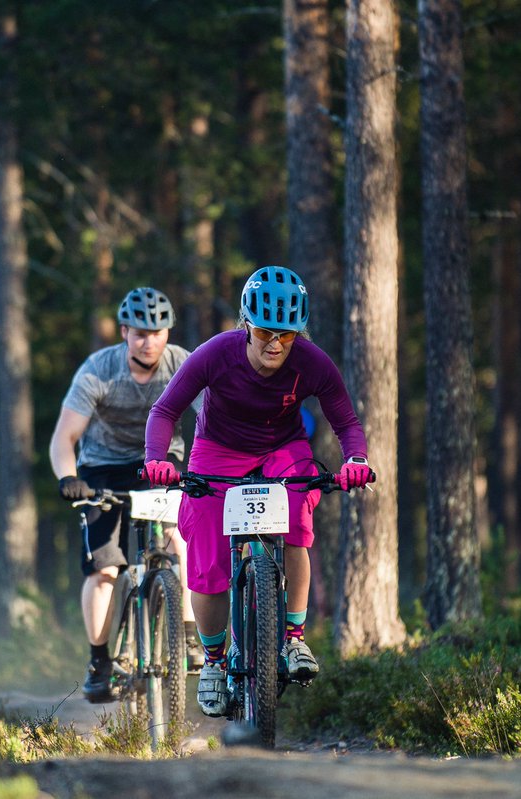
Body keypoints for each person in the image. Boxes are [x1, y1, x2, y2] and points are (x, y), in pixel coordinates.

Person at [142, 265, 374, 717]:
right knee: (207, 552)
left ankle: (293, 640)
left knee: (296, 526)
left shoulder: (312, 362)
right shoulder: (215, 354)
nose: (275, 344)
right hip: (218, 449)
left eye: (286, 336)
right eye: (266, 332)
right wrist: (158, 459)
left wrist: (356, 462)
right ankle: (212, 662)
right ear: (247, 325)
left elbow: (346, 422)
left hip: (281, 449)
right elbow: (165, 409)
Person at [49, 286, 199, 703]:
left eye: (157, 332)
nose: (148, 342)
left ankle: (187, 636)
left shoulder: (183, 364)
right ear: (124, 333)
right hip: (101, 469)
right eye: (139, 333)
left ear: (167, 333)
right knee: (104, 570)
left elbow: (211, 415)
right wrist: (68, 476)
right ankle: (100, 661)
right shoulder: (99, 370)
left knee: (179, 541)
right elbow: (65, 437)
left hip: (160, 461)